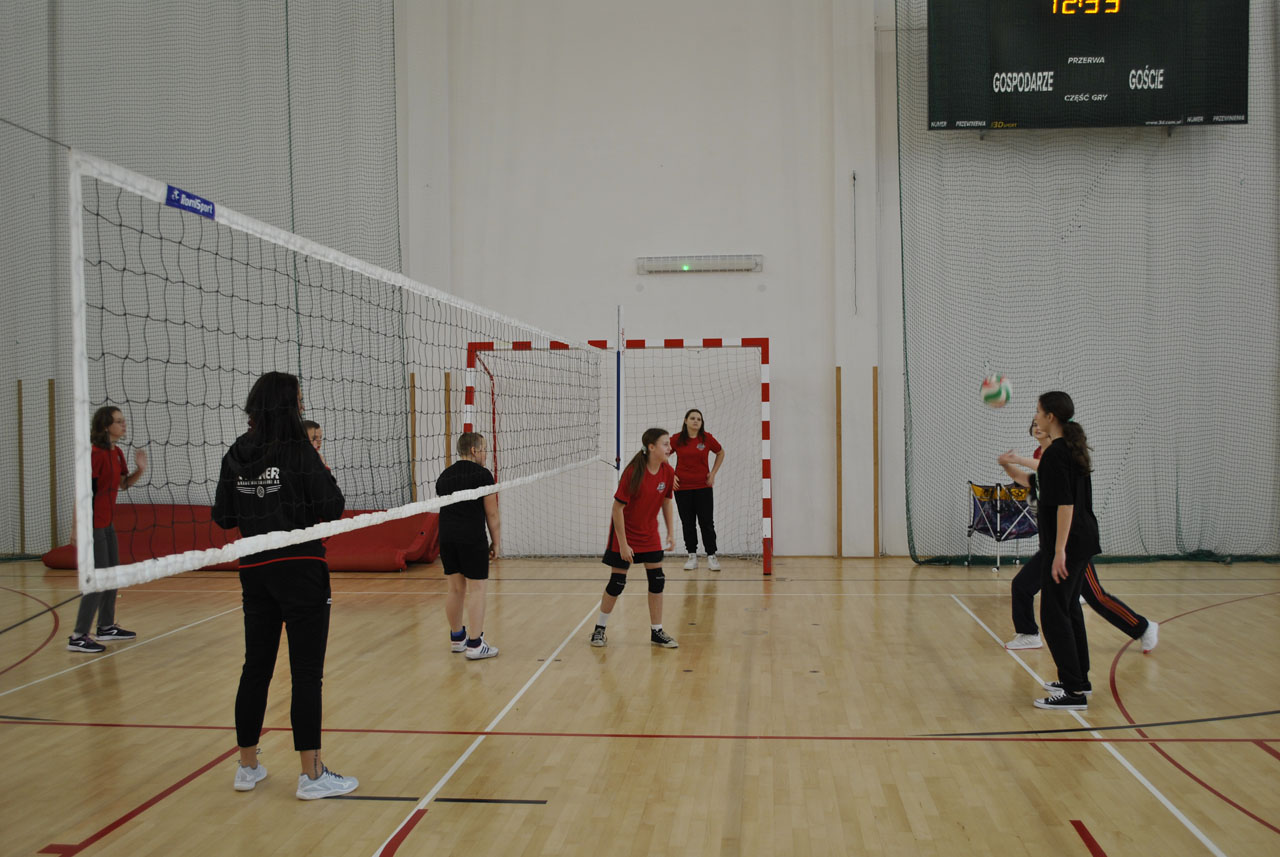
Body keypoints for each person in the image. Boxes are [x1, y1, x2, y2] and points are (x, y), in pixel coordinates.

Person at [212, 371, 357, 799]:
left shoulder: (237, 451)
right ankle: (312, 776)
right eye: (299, 399)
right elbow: (332, 505)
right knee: (306, 673)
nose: (303, 406)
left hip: (255, 569)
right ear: (286, 404)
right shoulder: (297, 449)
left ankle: (247, 766)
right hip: (300, 568)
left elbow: (224, 517)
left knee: (255, 668)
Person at [999, 424, 1158, 655]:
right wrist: (1006, 464)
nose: (1037, 426)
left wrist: (1018, 459)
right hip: (1053, 548)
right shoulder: (1044, 470)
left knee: (1096, 597)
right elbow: (1021, 476)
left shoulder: (1061, 461)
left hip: (1073, 547)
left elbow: (1044, 468)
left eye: (1041, 422)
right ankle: (1028, 634)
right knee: (1022, 586)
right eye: (1034, 424)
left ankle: (1143, 627)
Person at [1006, 392, 1101, 710]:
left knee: (1053, 613)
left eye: (1038, 411)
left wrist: (1059, 550)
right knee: (1069, 609)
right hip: (1081, 540)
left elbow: (1065, 506)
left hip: (1068, 545)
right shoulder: (1065, 450)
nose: (1035, 417)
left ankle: (1073, 692)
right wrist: (1009, 467)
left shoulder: (1058, 454)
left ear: (1050, 417)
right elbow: (1037, 488)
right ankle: (1079, 680)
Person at [590, 428, 679, 648]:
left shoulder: (668, 472)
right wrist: (623, 544)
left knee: (657, 580)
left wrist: (670, 531)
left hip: (649, 534)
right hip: (625, 533)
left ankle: (657, 631)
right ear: (651, 447)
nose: (670, 448)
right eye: (665, 444)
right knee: (617, 583)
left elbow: (667, 501)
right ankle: (599, 629)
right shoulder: (633, 472)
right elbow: (617, 509)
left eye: (669, 444)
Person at [67, 406, 146, 653]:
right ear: (105, 426)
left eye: (123, 420)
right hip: (92, 525)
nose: (124, 424)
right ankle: (78, 635)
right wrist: (76, 528)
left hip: (107, 523)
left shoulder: (117, 452)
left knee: (113, 574)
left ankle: (106, 626)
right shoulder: (94, 454)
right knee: (98, 579)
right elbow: (83, 493)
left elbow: (123, 485)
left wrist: (140, 470)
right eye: (118, 421)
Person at [435, 432, 501, 660]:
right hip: (471, 538)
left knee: (455, 589)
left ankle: (457, 639)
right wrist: (496, 543)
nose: (486, 454)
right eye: (484, 449)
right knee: (477, 589)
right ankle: (475, 644)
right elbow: (492, 513)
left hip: (446, 538)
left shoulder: (445, 475)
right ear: (474, 450)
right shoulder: (483, 475)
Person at [670, 409, 724, 571]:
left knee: (706, 522)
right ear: (685, 420)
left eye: (699, 419)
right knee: (688, 523)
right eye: (692, 418)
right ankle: (692, 556)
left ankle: (711, 556)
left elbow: (720, 452)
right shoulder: (676, 439)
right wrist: (670, 475)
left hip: (703, 487)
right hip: (682, 488)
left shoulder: (707, 438)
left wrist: (713, 473)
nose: (696, 421)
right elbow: (661, 455)